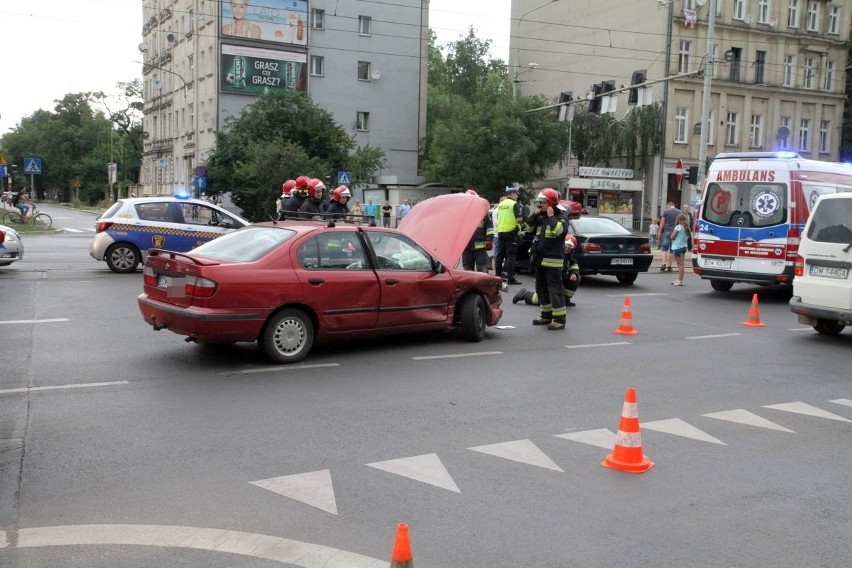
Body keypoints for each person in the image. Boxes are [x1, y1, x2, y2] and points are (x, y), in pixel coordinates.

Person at [525, 188, 568, 330]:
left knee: (555, 290)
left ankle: (560, 320)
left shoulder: (561, 216)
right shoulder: (541, 215)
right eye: (539, 202)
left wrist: (551, 217)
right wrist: (534, 214)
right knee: (541, 288)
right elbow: (528, 228)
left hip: (553, 260)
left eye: (542, 202)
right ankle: (546, 316)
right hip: (540, 259)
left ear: (551, 203)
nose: (540, 205)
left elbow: (559, 232)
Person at [514, 234, 580, 307]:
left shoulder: (569, 256)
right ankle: (525, 294)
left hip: (558, 278)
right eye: (566, 246)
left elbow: (574, 265)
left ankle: (565, 299)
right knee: (546, 301)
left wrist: (574, 273)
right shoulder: (554, 253)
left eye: (570, 248)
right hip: (547, 279)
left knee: (577, 278)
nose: (567, 249)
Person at [494, 186, 524, 285]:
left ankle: (498, 276)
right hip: (511, 232)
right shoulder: (514, 204)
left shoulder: (501, 204)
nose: (517, 196)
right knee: (511, 256)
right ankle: (511, 278)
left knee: (499, 255)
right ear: (511, 194)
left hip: (501, 231)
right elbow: (519, 219)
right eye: (516, 194)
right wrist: (523, 221)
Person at [461, 189, 494, 273]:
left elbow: (489, 227)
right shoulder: (461, 214)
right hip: (466, 248)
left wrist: (489, 240)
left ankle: (482, 286)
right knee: (467, 272)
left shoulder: (482, 213)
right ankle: (469, 286)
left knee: (482, 271)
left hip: (481, 249)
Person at [657, 201, 682, 272]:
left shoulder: (666, 211)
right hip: (676, 232)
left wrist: (660, 232)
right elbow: (681, 223)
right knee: (672, 250)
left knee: (664, 248)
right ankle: (669, 266)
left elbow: (662, 222)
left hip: (667, 232)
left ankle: (663, 264)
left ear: (669, 205)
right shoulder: (679, 212)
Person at [670, 212, 691, 286]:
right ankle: (679, 279)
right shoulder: (687, 228)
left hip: (677, 247)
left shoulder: (678, 226)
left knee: (680, 265)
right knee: (681, 265)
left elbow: (672, 236)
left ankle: (680, 280)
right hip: (684, 247)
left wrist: (674, 238)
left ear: (678, 219)